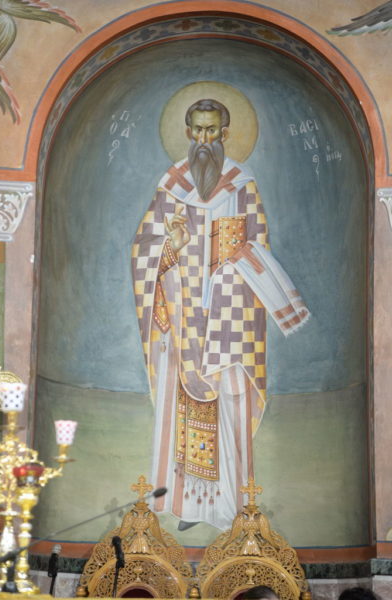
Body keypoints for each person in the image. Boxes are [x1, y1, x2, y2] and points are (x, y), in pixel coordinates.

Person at [132, 98, 310, 530]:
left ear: (226, 134)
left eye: (211, 130)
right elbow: (144, 250)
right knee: (182, 403)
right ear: (187, 131)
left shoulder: (242, 185)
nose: (203, 139)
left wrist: (231, 272)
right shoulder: (171, 185)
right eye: (197, 130)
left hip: (230, 316)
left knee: (229, 403)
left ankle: (229, 505)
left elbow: (259, 247)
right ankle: (185, 505)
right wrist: (170, 246)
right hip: (182, 316)